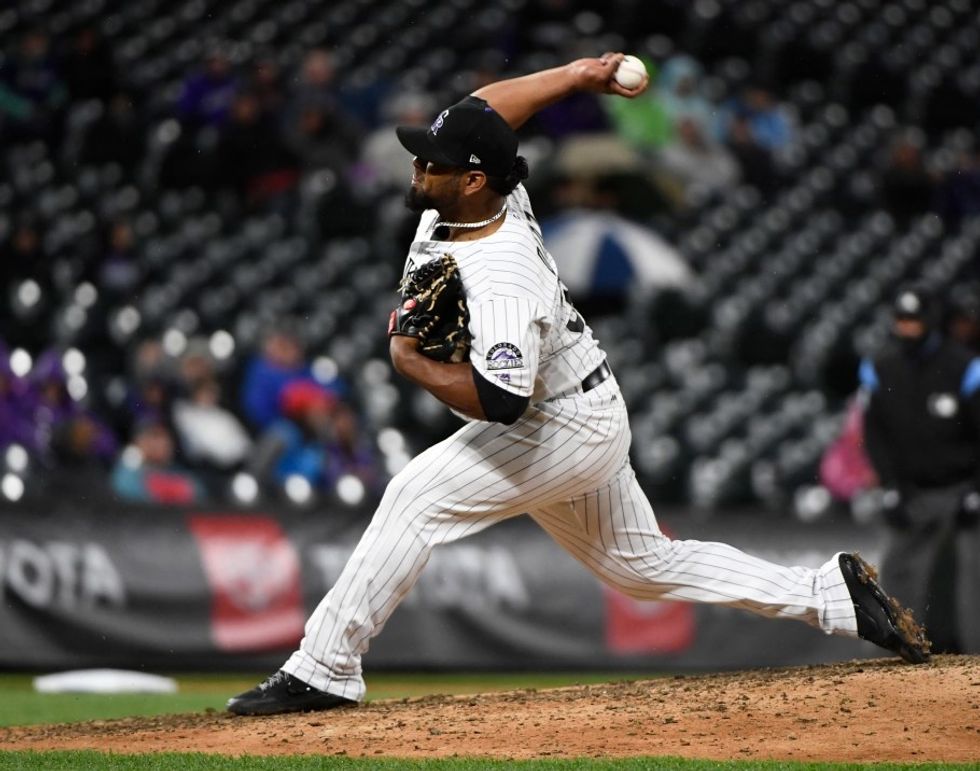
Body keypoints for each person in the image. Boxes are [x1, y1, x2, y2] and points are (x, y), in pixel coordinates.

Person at [228, 53, 929, 716]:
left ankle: (325, 666)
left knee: (416, 495)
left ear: (472, 180)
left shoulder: (503, 272)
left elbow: (502, 402)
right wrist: (574, 74)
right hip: (580, 402)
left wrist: (412, 361)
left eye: (431, 160)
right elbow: (483, 110)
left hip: (556, 421)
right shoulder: (481, 192)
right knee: (641, 564)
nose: (418, 164)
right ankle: (829, 594)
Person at [859, 285, 980, 653]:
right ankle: (890, 659)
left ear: (931, 321)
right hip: (912, 490)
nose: (907, 328)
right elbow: (875, 433)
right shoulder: (881, 366)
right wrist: (890, 484)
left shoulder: (965, 366)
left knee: (975, 577)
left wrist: (977, 488)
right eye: (902, 320)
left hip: (963, 487)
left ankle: (977, 660)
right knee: (893, 575)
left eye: (914, 320)